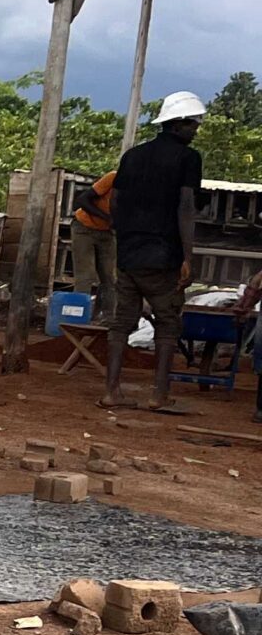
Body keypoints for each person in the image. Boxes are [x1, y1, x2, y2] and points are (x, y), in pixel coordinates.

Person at [103, 90, 206, 414]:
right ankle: (158, 394)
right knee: (167, 323)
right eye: (192, 124)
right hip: (162, 255)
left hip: (129, 254)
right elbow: (186, 207)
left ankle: (111, 391)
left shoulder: (132, 156)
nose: (196, 130)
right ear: (177, 124)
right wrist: (187, 256)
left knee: (121, 324)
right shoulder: (188, 158)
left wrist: (126, 234)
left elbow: (116, 201)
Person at [71, 167, 118, 318]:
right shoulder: (113, 178)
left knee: (109, 277)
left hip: (107, 233)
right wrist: (106, 217)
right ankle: (78, 318)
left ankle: (107, 318)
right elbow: (82, 200)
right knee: (85, 276)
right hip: (84, 227)